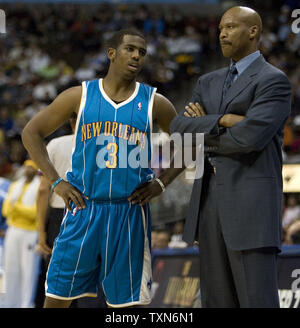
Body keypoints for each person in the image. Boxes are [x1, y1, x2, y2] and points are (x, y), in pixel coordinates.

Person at [22, 28, 183, 308]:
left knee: (129, 306)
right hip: (84, 209)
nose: (136, 55)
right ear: (111, 53)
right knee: (56, 299)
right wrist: (57, 182)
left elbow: (191, 145)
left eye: (142, 52)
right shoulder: (79, 96)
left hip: (129, 214)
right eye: (130, 49)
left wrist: (161, 182)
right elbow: (31, 133)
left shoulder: (155, 102)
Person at [170, 6, 291, 307]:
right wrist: (223, 120)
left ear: (253, 32)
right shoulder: (207, 82)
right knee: (216, 301)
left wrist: (206, 127)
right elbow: (179, 127)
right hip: (208, 204)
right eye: (221, 28)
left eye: (231, 27)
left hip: (252, 208)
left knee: (256, 301)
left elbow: (249, 138)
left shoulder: (273, 80)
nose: (222, 33)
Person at [2, 160, 41, 307]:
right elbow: (6, 210)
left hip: (30, 232)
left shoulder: (39, 187)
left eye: (32, 167)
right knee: (10, 268)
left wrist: (16, 207)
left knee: (28, 270)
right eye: (27, 167)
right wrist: (22, 209)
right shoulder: (15, 185)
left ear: (36, 171)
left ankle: (26, 303)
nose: (28, 170)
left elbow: (35, 213)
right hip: (13, 231)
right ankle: (10, 303)